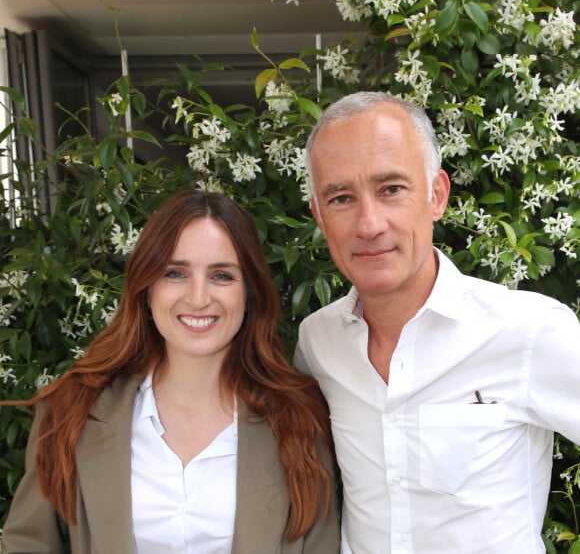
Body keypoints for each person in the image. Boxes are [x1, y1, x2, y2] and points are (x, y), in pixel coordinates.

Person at [294, 91, 580, 553]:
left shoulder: (528, 331)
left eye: (391, 189)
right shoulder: (318, 342)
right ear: (320, 217)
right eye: (342, 197)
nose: (369, 224)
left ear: (436, 196)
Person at [2, 189, 340, 553]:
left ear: (250, 294)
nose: (198, 297)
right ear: (146, 289)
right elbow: (28, 543)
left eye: (222, 276)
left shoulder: (299, 421)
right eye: (175, 273)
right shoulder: (71, 410)